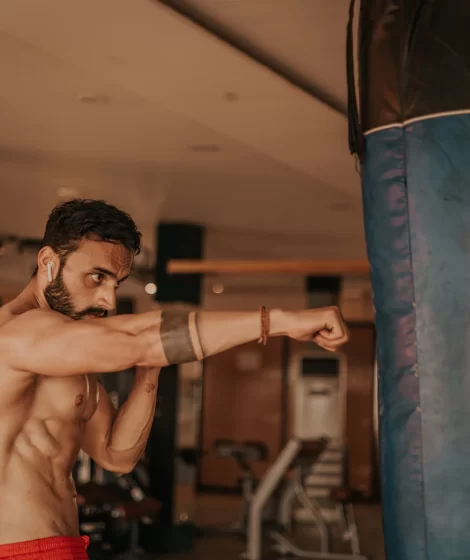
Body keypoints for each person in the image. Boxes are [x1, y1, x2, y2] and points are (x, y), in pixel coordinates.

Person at [0, 199, 350, 558]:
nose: (109, 301)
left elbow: (117, 455)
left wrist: (148, 372)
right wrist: (279, 321)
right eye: (97, 277)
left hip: (64, 546)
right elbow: (138, 336)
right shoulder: (15, 333)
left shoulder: (66, 356)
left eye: (116, 284)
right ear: (48, 261)